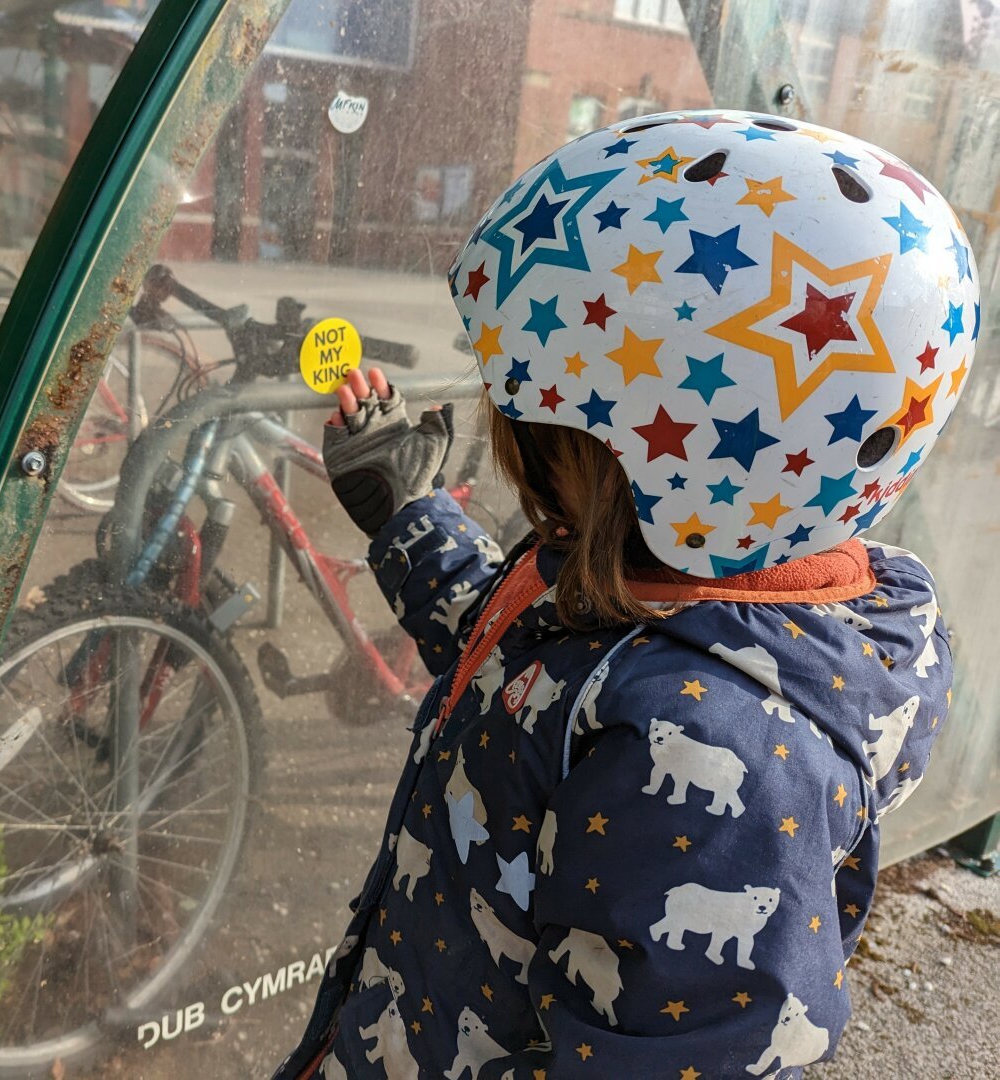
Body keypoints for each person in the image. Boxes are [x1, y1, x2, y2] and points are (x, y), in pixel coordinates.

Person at [275, 110, 977, 1079]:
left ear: (650, 454)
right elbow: (524, 658)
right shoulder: (655, 580)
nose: (505, 431)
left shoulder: (724, 769)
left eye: (527, 415)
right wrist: (408, 516)